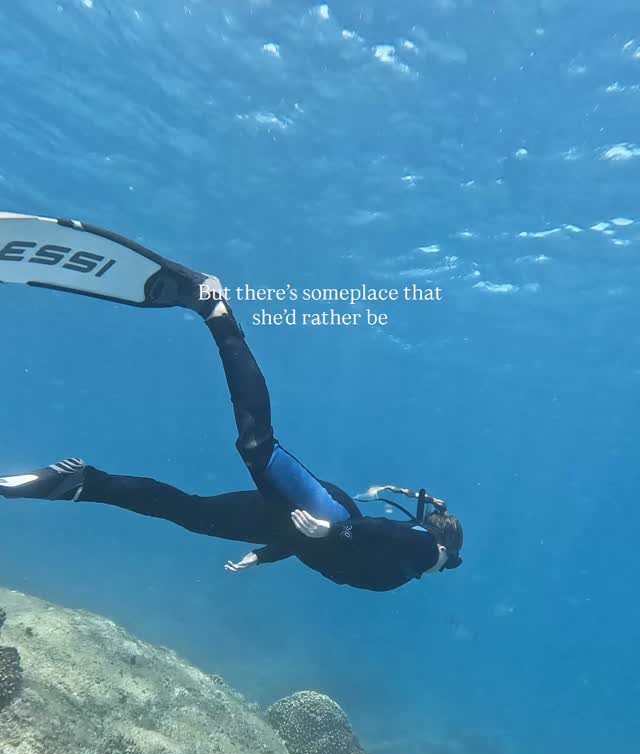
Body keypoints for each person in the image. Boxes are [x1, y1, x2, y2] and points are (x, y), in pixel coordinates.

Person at [0, 217, 463, 592]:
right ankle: (217, 312)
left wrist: (262, 556)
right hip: (328, 512)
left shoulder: (410, 558)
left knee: (192, 514)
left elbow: (325, 547)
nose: (444, 566)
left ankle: (84, 482)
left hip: (296, 526)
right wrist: (336, 531)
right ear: (445, 545)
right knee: (257, 445)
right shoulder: (426, 548)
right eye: (450, 559)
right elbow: (372, 534)